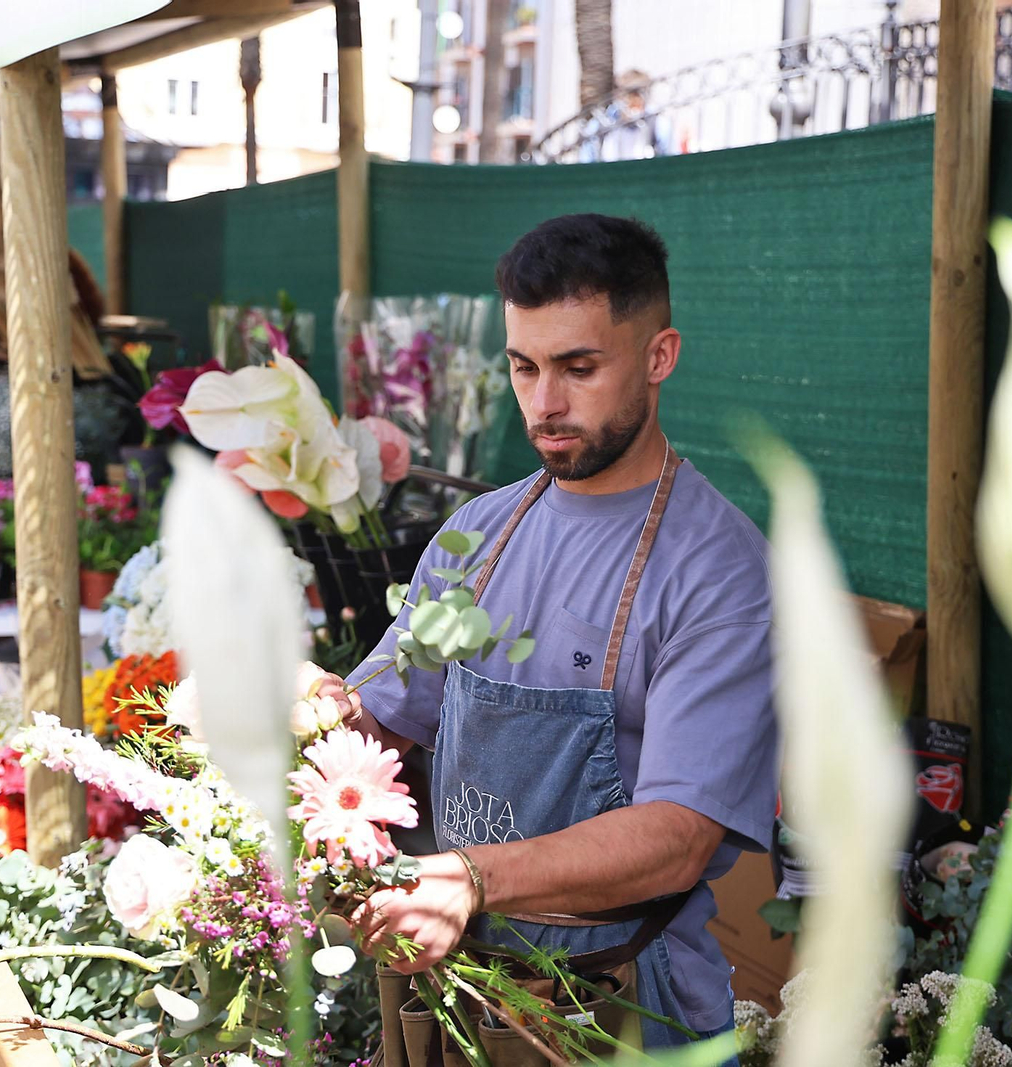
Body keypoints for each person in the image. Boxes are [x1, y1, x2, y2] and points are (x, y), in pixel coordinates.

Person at [315, 214, 777, 1048]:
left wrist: (472, 876)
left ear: (659, 356)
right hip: (459, 995)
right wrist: (320, 715)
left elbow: (677, 836)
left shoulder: (721, 570)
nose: (545, 402)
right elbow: (383, 717)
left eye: (579, 367)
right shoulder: (480, 535)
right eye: (524, 367)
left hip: (628, 1006)